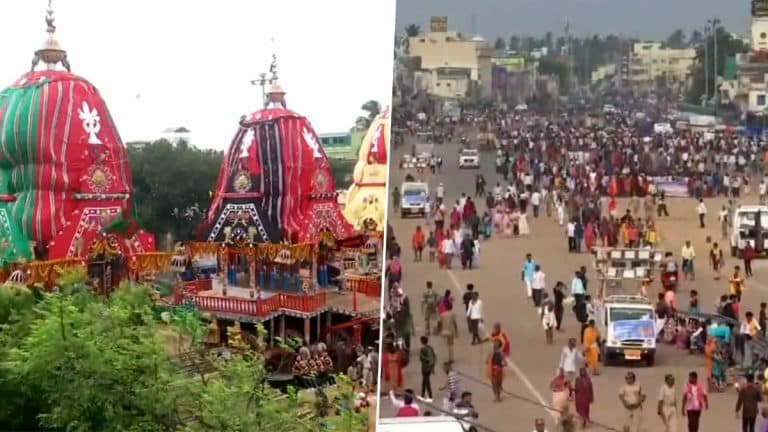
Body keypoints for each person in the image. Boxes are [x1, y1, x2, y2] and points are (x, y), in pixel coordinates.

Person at [418, 336, 437, 403]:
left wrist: (426, 360)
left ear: (421, 341)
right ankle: (423, 395)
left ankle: (429, 396)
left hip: (425, 367)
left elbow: (421, 358)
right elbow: (435, 356)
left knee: (426, 382)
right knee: (424, 381)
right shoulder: (430, 348)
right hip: (430, 367)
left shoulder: (423, 349)